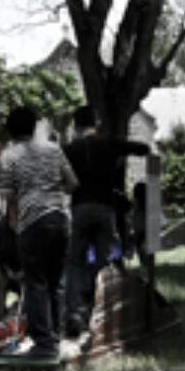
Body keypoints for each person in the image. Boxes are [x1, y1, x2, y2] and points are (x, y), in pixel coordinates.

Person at [0, 104, 79, 359]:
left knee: (36, 282)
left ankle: (44, 343)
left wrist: (15, 221)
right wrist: (54, 196)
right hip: (61, 218)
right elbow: (73, 182)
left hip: (31, 221)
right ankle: (56, 335)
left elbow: (9, 197)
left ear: (10, 131)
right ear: (34, 127)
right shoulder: (54, 149)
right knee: (56, 282)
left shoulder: (8, 156)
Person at [62, 105, 150, 334]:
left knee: (74, 262)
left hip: (80, 207)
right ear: (97, 123)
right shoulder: (109, 143)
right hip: (105, 207)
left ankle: (74, 312)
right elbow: (143, 148)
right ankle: (104, 311)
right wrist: (117, 158)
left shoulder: (69, 149)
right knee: (105, 262)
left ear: (75, 126)